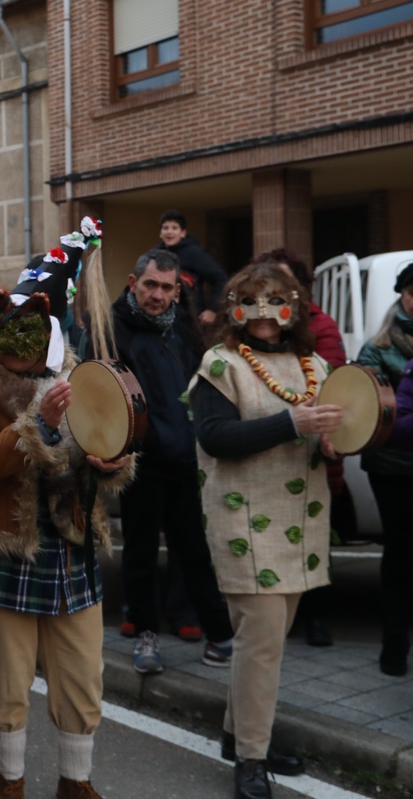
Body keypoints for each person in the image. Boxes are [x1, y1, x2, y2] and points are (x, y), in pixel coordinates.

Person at [0, 223, 133, 799]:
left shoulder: (80, 375)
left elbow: (109, 443)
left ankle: (75, 782)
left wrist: (111, 464)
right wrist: (41, 423)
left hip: (73, 544)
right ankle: (10, 780)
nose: (22, 345)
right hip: (6, 546)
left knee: (82, 676)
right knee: (8, 680)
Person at [190, 262, 341, 799]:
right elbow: (214, 438)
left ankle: (239, 735)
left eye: (275, 302)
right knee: (261, 645)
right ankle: (252, 758)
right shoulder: (220, 364)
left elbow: (336, 431)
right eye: (251, 302)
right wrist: (290, 424)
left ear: (293, 309)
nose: (263, 315)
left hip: (301, 521)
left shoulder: (316, 365)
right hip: (242, 520)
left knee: (267, 640)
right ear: (234, 307)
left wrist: (331, 443)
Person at [102, 248, 234, 676]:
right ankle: (145, 635)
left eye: (166, 287)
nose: (157, 295)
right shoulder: (112, 329)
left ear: (178, 290)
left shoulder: (183, 327)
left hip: (187, 458)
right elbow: (100, 396)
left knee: (195, 550)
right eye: (150, 285)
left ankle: (220, 634)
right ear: (132, 281)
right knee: (140, 552)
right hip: (142, 461)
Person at [251, 248, 350, 647]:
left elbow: (332, 388)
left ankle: (314, 616)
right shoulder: (250, 337)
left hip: (311, 453)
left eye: (284, 283)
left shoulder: (320, 328)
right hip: (268, 459)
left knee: (312, 539)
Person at [356, 263, 413, 676]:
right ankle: (394, 648)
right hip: (393, 466)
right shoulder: (377, 347)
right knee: (400, 554)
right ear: (403, 297)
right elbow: (364, 407)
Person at [158, 209, 228, 327]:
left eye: (174, 228)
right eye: (166, 228)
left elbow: (222, 279)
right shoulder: (155, 254)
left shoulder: (194, 253)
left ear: (183, 233)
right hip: (161, 315)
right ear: (160, 232)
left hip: (190, 318)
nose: (169, 232)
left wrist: (212, 309)